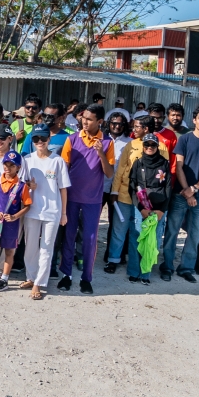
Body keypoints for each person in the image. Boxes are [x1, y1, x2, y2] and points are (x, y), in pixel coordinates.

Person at [56, 105, 115, 294]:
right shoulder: (72, 139)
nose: (85, 122)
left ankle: (86, 278)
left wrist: (100, 153)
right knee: (69, 236)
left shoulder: (107, 143)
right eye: (83, 118)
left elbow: (109, 173)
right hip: (72, 197)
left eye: (90, 119)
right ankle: (66, 275)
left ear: (100, 122)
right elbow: (64, 168)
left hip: (93, 199)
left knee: (90, 239)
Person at [160, 106, 199, 283]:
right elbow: (178, 167)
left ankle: (186, 268)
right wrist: (187, 191)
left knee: (195, 234)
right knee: (172, 231)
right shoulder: (184, 139)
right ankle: (167, 266)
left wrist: (194, 189)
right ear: (194, 120)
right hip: (180, 194)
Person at [20, 131, 70, 299]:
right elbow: (21, 185)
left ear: (49, 139)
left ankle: (38, 283)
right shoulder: (27, 160)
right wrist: (29, 185)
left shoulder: (57, 161)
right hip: (32, 210)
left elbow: (63, 188)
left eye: (43, 138)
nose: (40, 141)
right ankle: (30, 276)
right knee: (30, 246)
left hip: (52, 211)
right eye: (36, 139)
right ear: (32, 141)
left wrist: (63, 213)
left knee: (47, 248)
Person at [125, 133, 171, 285]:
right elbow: (132, 187)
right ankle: (133, 272)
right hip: (141, 209)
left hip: (159, 210)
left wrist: (162, 211)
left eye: (152, 145)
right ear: (143, 147)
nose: (149, 148)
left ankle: (146, 274)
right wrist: (140, 209)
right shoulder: (138, 163)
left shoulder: (164, 163)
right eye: (147, 145)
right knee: (136, 239)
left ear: (157, 147)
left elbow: (169, 187)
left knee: (153, 242)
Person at [0, 151, 31, 290]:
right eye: (6, 164)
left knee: (9, 251)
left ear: (18, 167)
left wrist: (15, 216)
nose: (8, 168)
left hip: (11, 224)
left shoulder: (21, 186)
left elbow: (27, 205)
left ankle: (4, 278)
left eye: (12, 165)